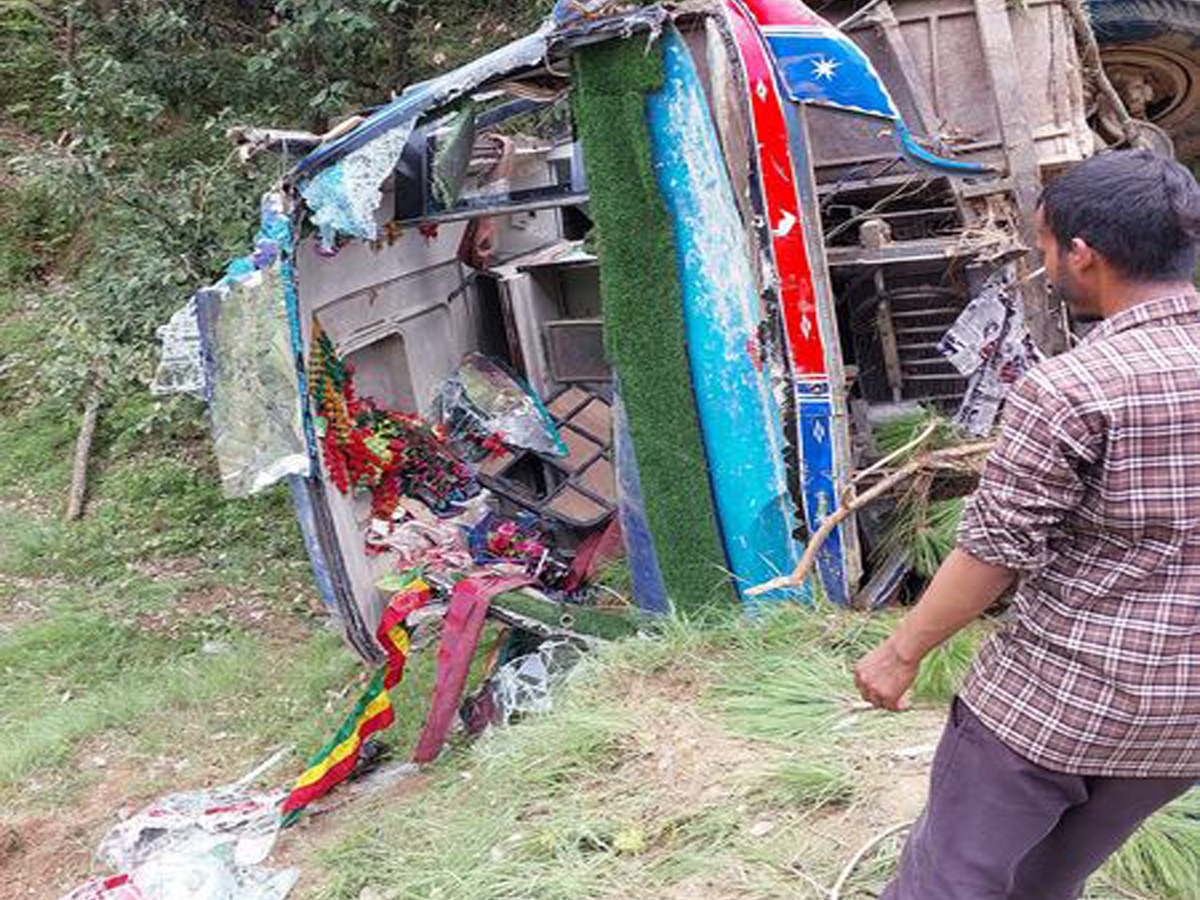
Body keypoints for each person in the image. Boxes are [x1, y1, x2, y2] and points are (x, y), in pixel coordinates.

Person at [854, 148, 1199, 900]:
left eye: (1044, 245)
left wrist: (901, 651)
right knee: (1045, 884)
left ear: (1084, 254)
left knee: (949, 884)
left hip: (1055, 703)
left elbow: (994, 551)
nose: (1043, 265)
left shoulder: (1073, 386)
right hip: (1182, 727)